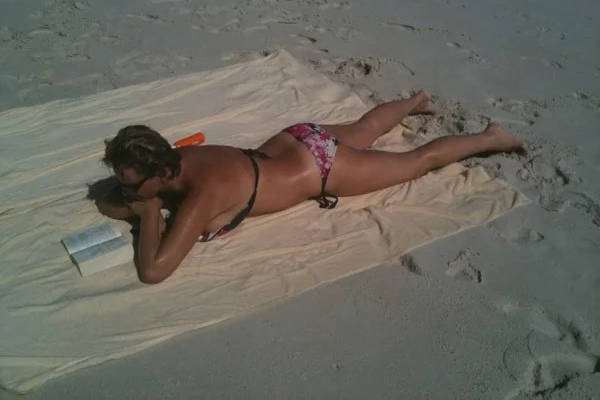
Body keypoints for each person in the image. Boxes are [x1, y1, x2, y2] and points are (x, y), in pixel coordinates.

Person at [97, 91, 523, 284]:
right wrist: (137, 199)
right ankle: (416, 101)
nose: (125, 190)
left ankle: (492, 136)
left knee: (417, 163)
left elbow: (154, 271)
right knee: (364, 128)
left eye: (132, 184)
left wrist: (148, 214)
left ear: (160, 174)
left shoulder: (203, 194)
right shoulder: (175, 157)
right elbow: (117, 200)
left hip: (320, 166)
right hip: (292, 140)